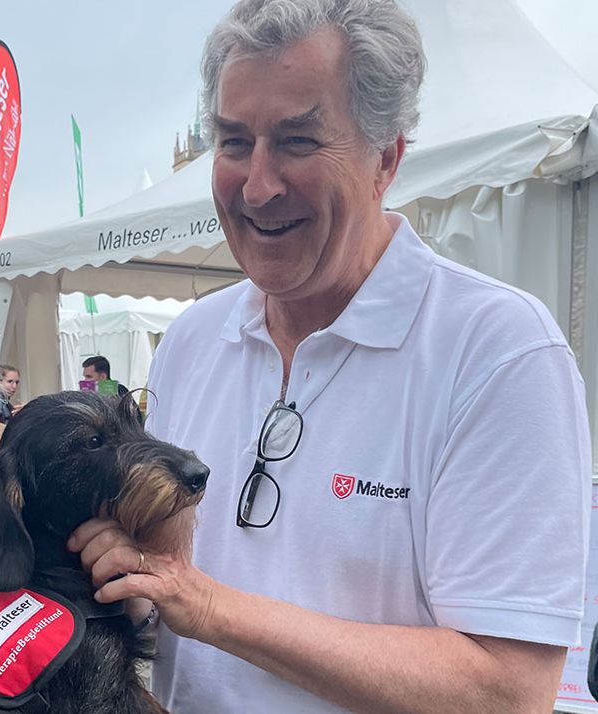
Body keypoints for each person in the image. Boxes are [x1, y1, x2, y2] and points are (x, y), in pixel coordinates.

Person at [68, 1, 591, 712]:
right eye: (232, 142)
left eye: (296, 142)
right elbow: (159, 601)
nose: (256, 186)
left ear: (386, 159)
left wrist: (210, 608)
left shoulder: (496, 351)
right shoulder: (191, 339)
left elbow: (505, 690)